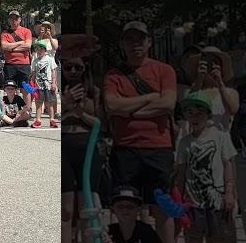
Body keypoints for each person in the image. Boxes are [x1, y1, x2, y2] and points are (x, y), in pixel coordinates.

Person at [103, 21, 176, 243]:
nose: (136, 44)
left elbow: (168, 104)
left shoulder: (165, 70)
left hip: (159, 148)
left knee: (161, 208)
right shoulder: (114, 75)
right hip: (125, 148)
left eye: (140, 40)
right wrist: (150, 98)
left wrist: (130, 110)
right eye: (130, 40)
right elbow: (112, 106)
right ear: (122, 44)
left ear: (149, 42)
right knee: (126, 207)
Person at [174, 92, 236, 243]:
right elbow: (181, 173)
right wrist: (178, 198)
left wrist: (229, 192)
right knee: (192, 236)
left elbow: (228, 165)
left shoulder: (221, 136)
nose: (194, 117)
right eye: (190, 113)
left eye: (199, 113)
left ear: (208, 115)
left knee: (218, 237)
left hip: (216, 200)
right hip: (192, 201)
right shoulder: (184, 142)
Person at [61, 57, 103, 243]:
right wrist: (66, 104)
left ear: (85, 68)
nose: (73, 71)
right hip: (64, 145)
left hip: (88, 144)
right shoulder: (59, 90)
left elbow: (101, 124)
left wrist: (79, 114)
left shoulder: (94, 92)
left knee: (87, 206)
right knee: (65, 210)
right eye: (68, 67)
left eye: (78, 67)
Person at [182, 46, 239, 133]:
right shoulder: (191, 91)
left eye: (215, 62)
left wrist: (220, 83)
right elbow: (187, 107)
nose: (211, 65)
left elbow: (232, 110)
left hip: (222, 142)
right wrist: (200, 78)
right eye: (206, 62)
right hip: (196, 143)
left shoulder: (231, 92)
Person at [0, 10, 33, 106]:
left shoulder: (26, 31)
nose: (14, 21)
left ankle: (27, 109)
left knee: (25, 88)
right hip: (10, 64)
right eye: (11, 19)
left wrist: (11, 48)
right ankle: (11, 108)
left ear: (20, 20)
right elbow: (4, 47)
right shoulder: (5, 33)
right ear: (8, 20)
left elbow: (28, 46)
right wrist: (20, 43)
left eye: (16, 18)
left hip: (24, 64)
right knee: (10, 88)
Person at [31, 40, 59, 128]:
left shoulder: (50, 59)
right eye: (37, 49)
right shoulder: (35, 61)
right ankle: (38, 120)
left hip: (48, 85)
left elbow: (53, 71)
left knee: (50, 103)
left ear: (45, 50)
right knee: (38, 103)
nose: (39, 51)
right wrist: (32, 84)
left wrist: (54, 83)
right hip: (39, 86)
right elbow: (34, 74)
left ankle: (52, 120)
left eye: (41, 49)